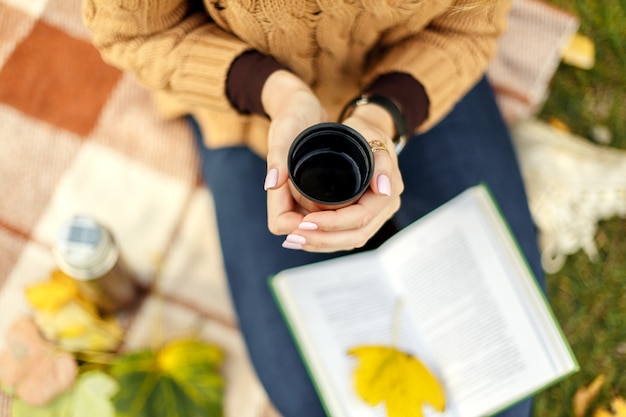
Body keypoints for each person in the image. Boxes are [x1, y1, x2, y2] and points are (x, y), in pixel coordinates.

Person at [83, 1, 545, 415]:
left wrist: (385, 114)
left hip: (414, 74)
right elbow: (134, 30)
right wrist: (277, 94)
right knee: (314, 397)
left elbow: (469, 25)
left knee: (502, 381)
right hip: (249, 109)